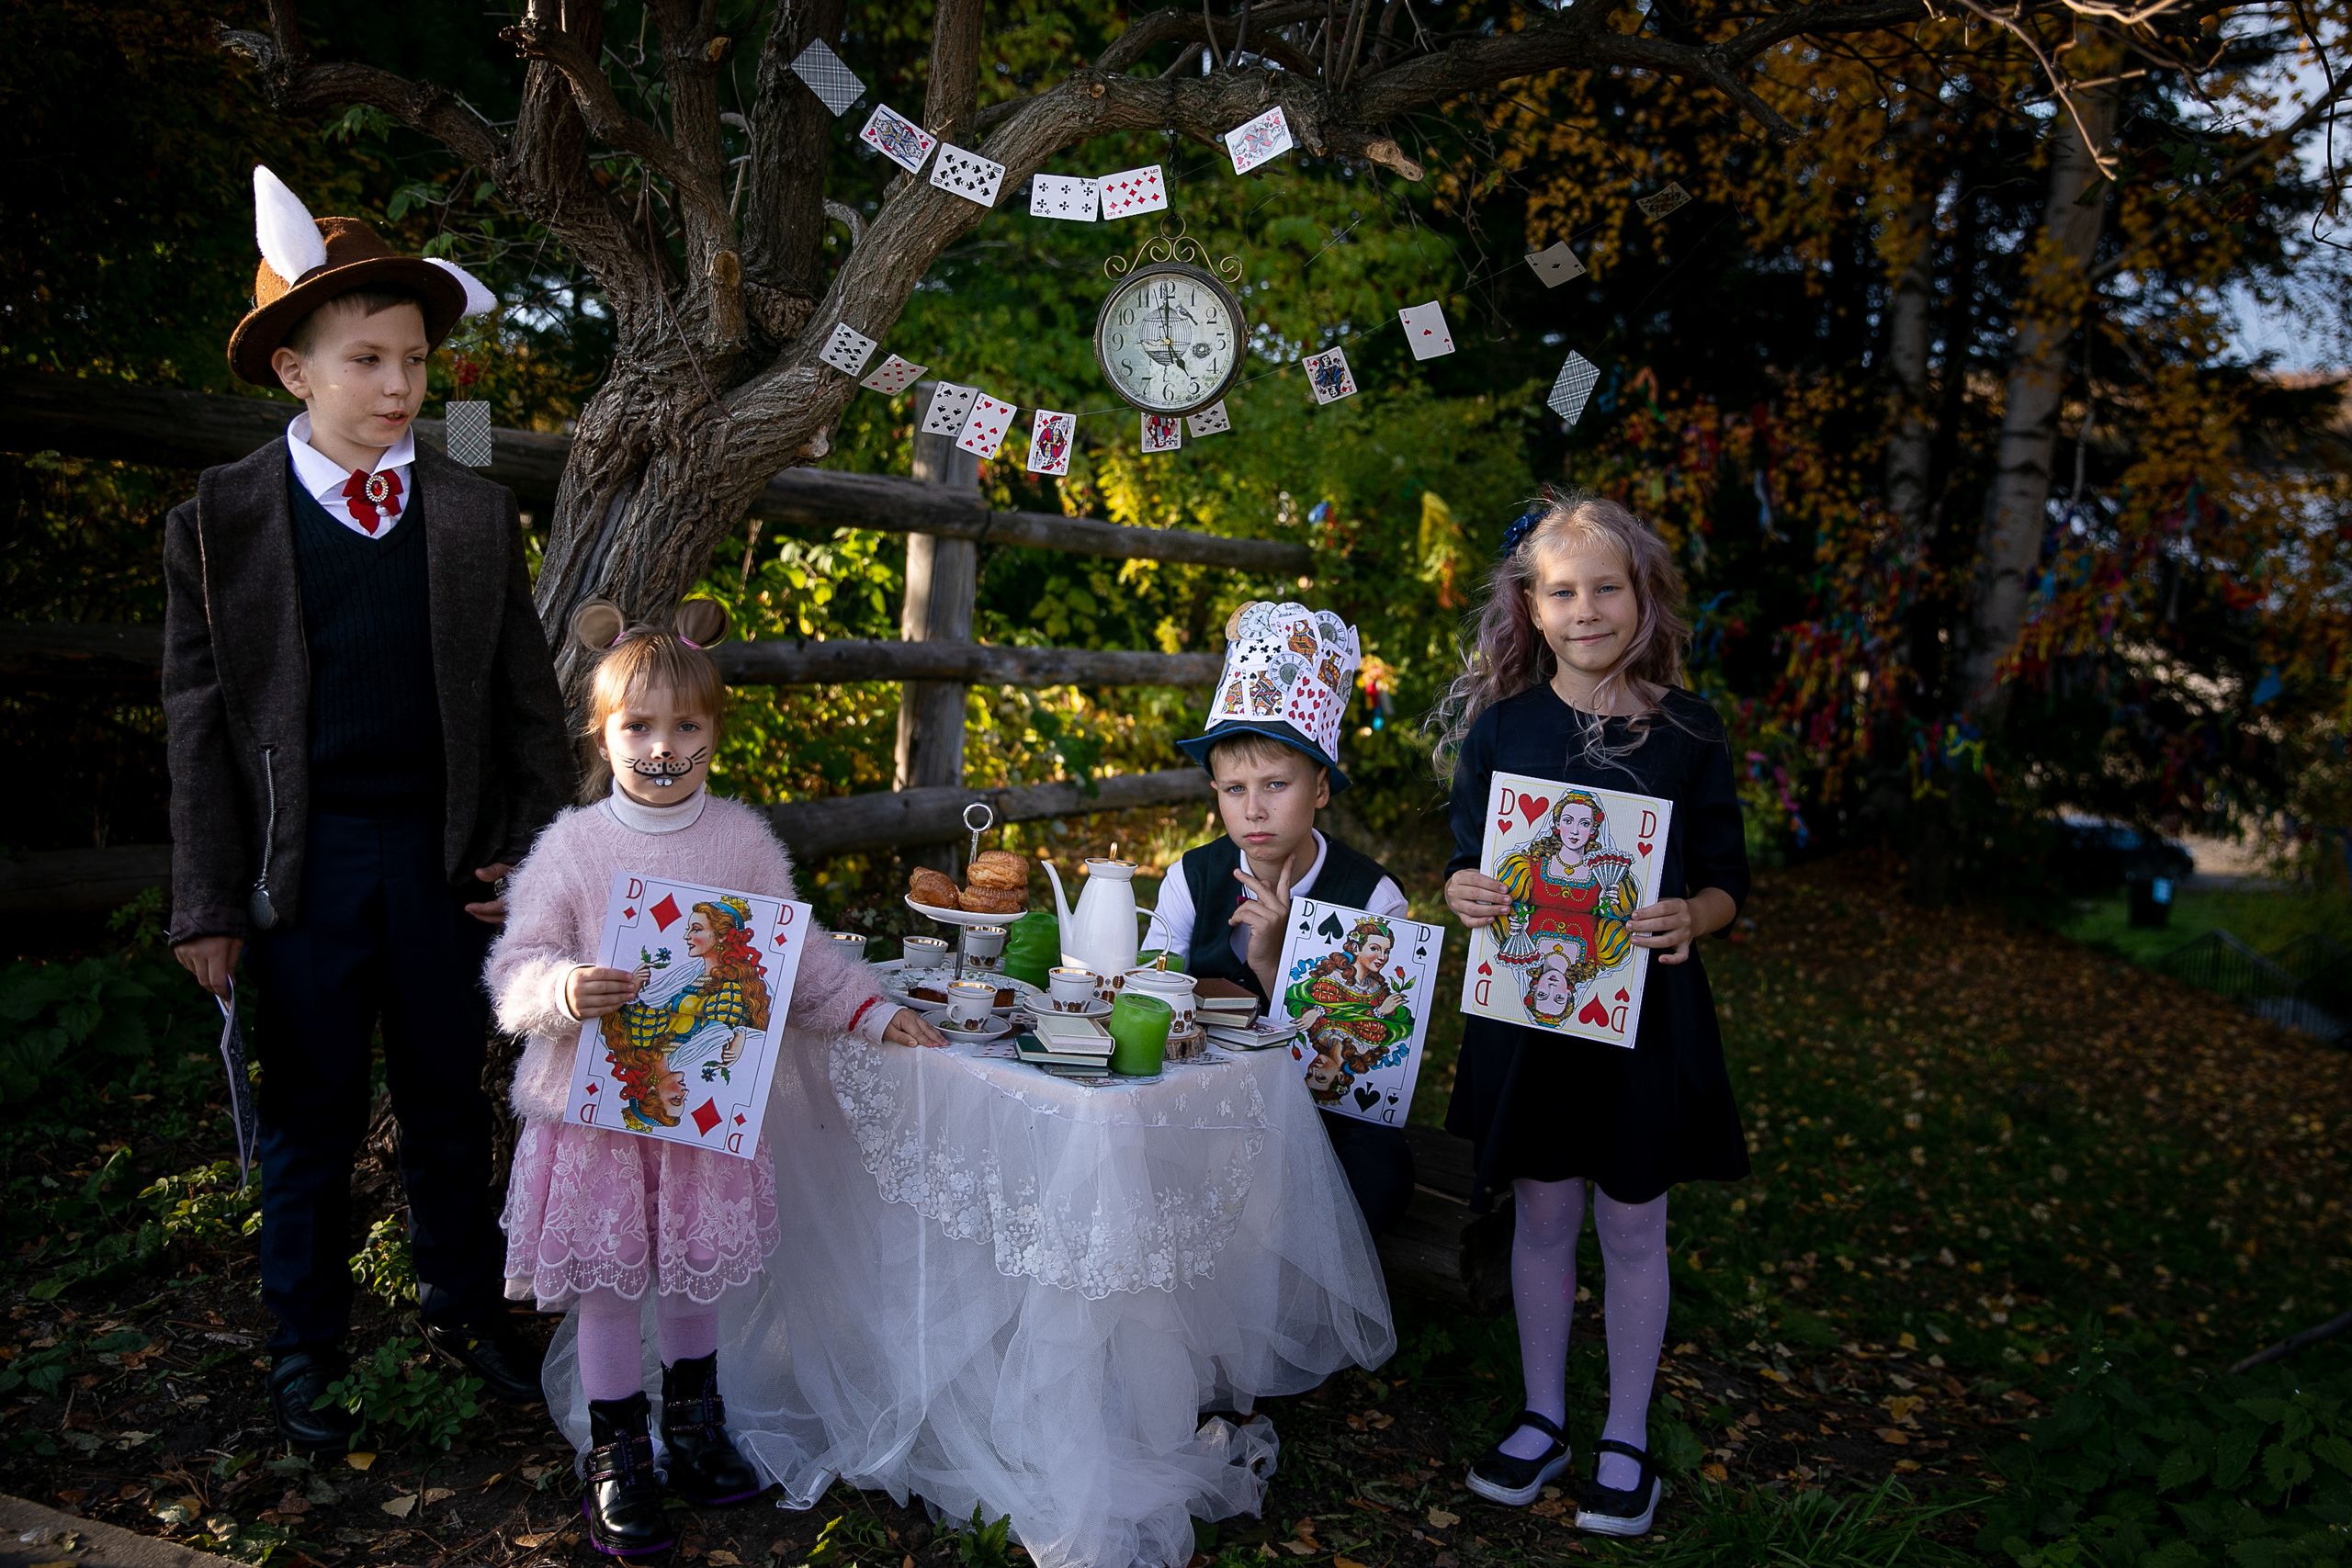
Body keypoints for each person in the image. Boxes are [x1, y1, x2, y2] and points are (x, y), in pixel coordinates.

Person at [162, 166, 571, 1450]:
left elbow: (525, 708)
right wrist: (211, 899)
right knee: (313, 1115)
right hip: (307, 866)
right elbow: (198, 729)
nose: (399, 388)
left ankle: (463, 1310)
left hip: (446, 861)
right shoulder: (220, 522)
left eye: (414, 361)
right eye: (366, 360)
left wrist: (531, 855)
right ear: (295, 370)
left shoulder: (467, 513)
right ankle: (307, 1349)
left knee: (453, 1095)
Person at [486, 601, 944, 1557]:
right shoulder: (571, 848)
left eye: (685, 726)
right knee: (614, 1287)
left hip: (700, 1110)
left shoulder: (739, 843)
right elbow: (512, 970)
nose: (662, 747)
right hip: (597, 1120)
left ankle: (693, 1430)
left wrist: (868, 1007)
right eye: (638, 727)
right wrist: (564, 988)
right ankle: (620, 1454)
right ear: (600, 731)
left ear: (715, 732)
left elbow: (797, 958)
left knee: (694, 1275)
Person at [1430, 491, 1749, 1537]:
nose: (1587, 609)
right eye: (1562, 591)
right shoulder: (1503, 731)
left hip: (1642, 1022)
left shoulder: (1688, 729)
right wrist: (1461, 891)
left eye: (1606, 587)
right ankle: (1541, 1417)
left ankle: (1624, 1433)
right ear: (1530, 605)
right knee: (1544, 1214)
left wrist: (1687, 915)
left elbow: (1727, 883)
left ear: (1642, 595)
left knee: (1629, 1220)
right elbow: (1468, 865)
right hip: (1532, 1017)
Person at [1163, 602, 1417, 1234]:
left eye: (1276, 785)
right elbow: (1150, 984)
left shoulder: (1373, 897)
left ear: (1321, 788)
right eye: (1234, 789)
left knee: (1379, 1178)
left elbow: (1375, 1064)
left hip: (1323, 1113)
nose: (1253, 810)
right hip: (1201, 1095)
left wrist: (1273, 960)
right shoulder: (1191, 878)